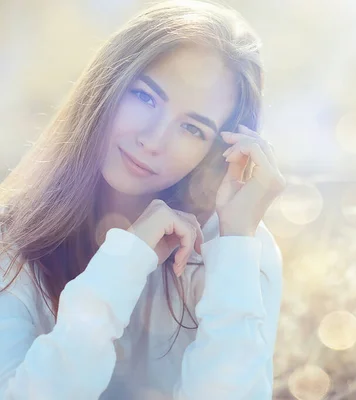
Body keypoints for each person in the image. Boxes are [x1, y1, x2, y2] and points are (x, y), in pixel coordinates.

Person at [0, 1, 286, 399]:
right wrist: (125, 261)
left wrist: (238, 245)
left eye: (191, 128)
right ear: (107, 85)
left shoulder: (235, 249)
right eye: (146, 97)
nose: (153, 140)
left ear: (216, 151)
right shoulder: (11, 242)